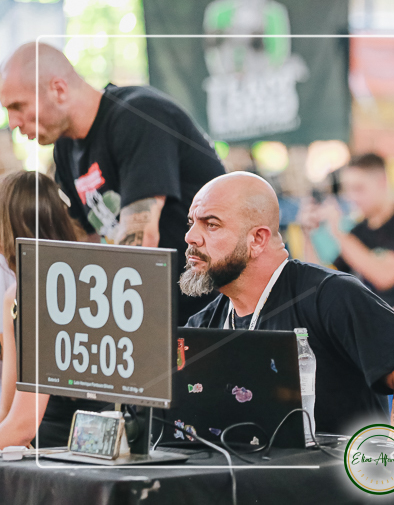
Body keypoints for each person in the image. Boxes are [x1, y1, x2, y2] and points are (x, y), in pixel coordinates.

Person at [183, 172, 394, 436]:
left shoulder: (331, 296)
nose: (191, 237)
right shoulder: (203, 324)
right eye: (191, 223)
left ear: (257, 239)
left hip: (337, 467)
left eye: (211, 225)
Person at [0, 43, 226, 325]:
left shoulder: (137, 115)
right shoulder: (65, 149)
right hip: (155, 308)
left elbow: (141, 243)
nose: (13, 123)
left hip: (211, 310)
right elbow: (86, 239)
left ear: (58, 89)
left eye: (18, 106)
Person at [0, 171, 109, 449]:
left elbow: (21, 427)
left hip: (68, 453)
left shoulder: (50, 295)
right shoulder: (16, 296)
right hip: (39, 451)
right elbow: (7, 411)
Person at [299, 153, 394, 338]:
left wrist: (337, 232)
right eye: (347, 190)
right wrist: (308, 234)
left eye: (359, 189)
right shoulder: (358, 231)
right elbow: (320, 283)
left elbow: (384, 277)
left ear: (382, 183)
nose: (351, 197)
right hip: (367, 311)